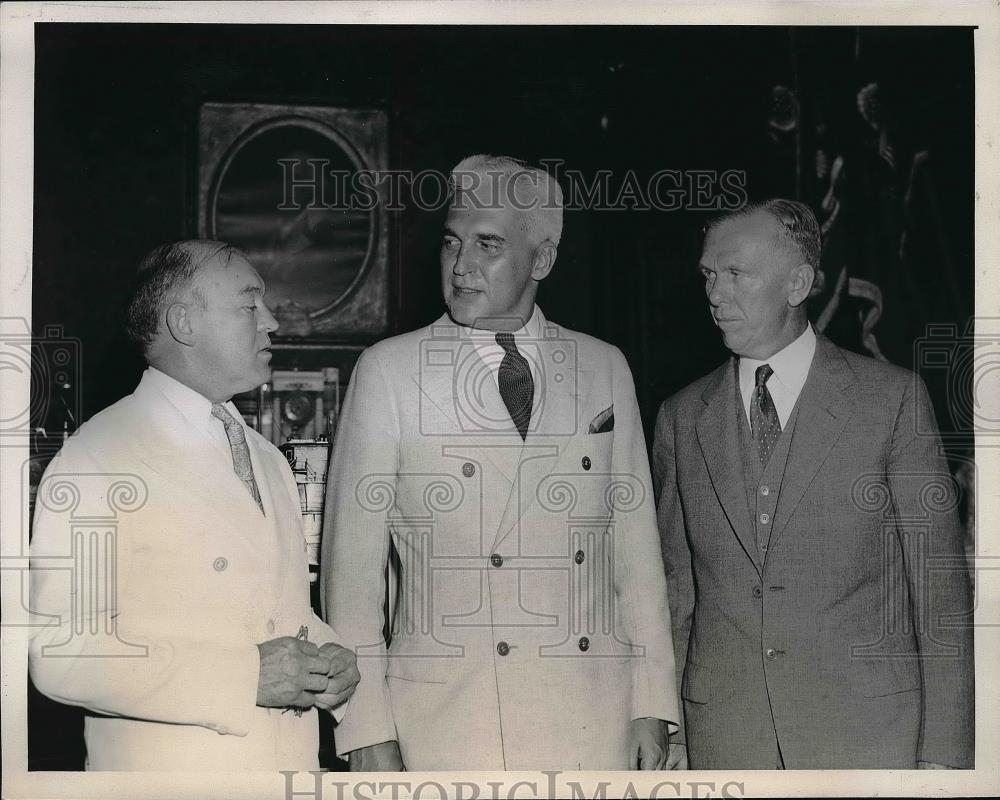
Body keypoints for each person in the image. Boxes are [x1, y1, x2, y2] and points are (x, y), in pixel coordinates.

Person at [322, 155, 679, 771]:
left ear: (541, 260)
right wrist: (364, 730)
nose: (461, 266)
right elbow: (352, 577)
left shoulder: (603, 366)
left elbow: (637, 558)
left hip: (591, 716)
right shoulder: (389, 371)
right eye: (452, 242)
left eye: (488, 245)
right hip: (444, 724)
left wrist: (651, 704)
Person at [653, 200, 974, 769]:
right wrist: (672, 731)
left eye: (736, 274)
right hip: (725, 742)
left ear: (798, 283)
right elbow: (678, 597)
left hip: (871, 739)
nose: (715, 293)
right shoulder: (680, 418)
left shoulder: (892, 401)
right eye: (709, 274)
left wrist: (944, 754)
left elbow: (939, 596)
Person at [28, 240, 360, 771]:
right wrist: (243, 678)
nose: (272, 321)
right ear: (184, 323)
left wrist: (330, 656)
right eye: (250, 305)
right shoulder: (99, 454)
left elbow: (274, 610)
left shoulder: (268, 458)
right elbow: (61, 653)